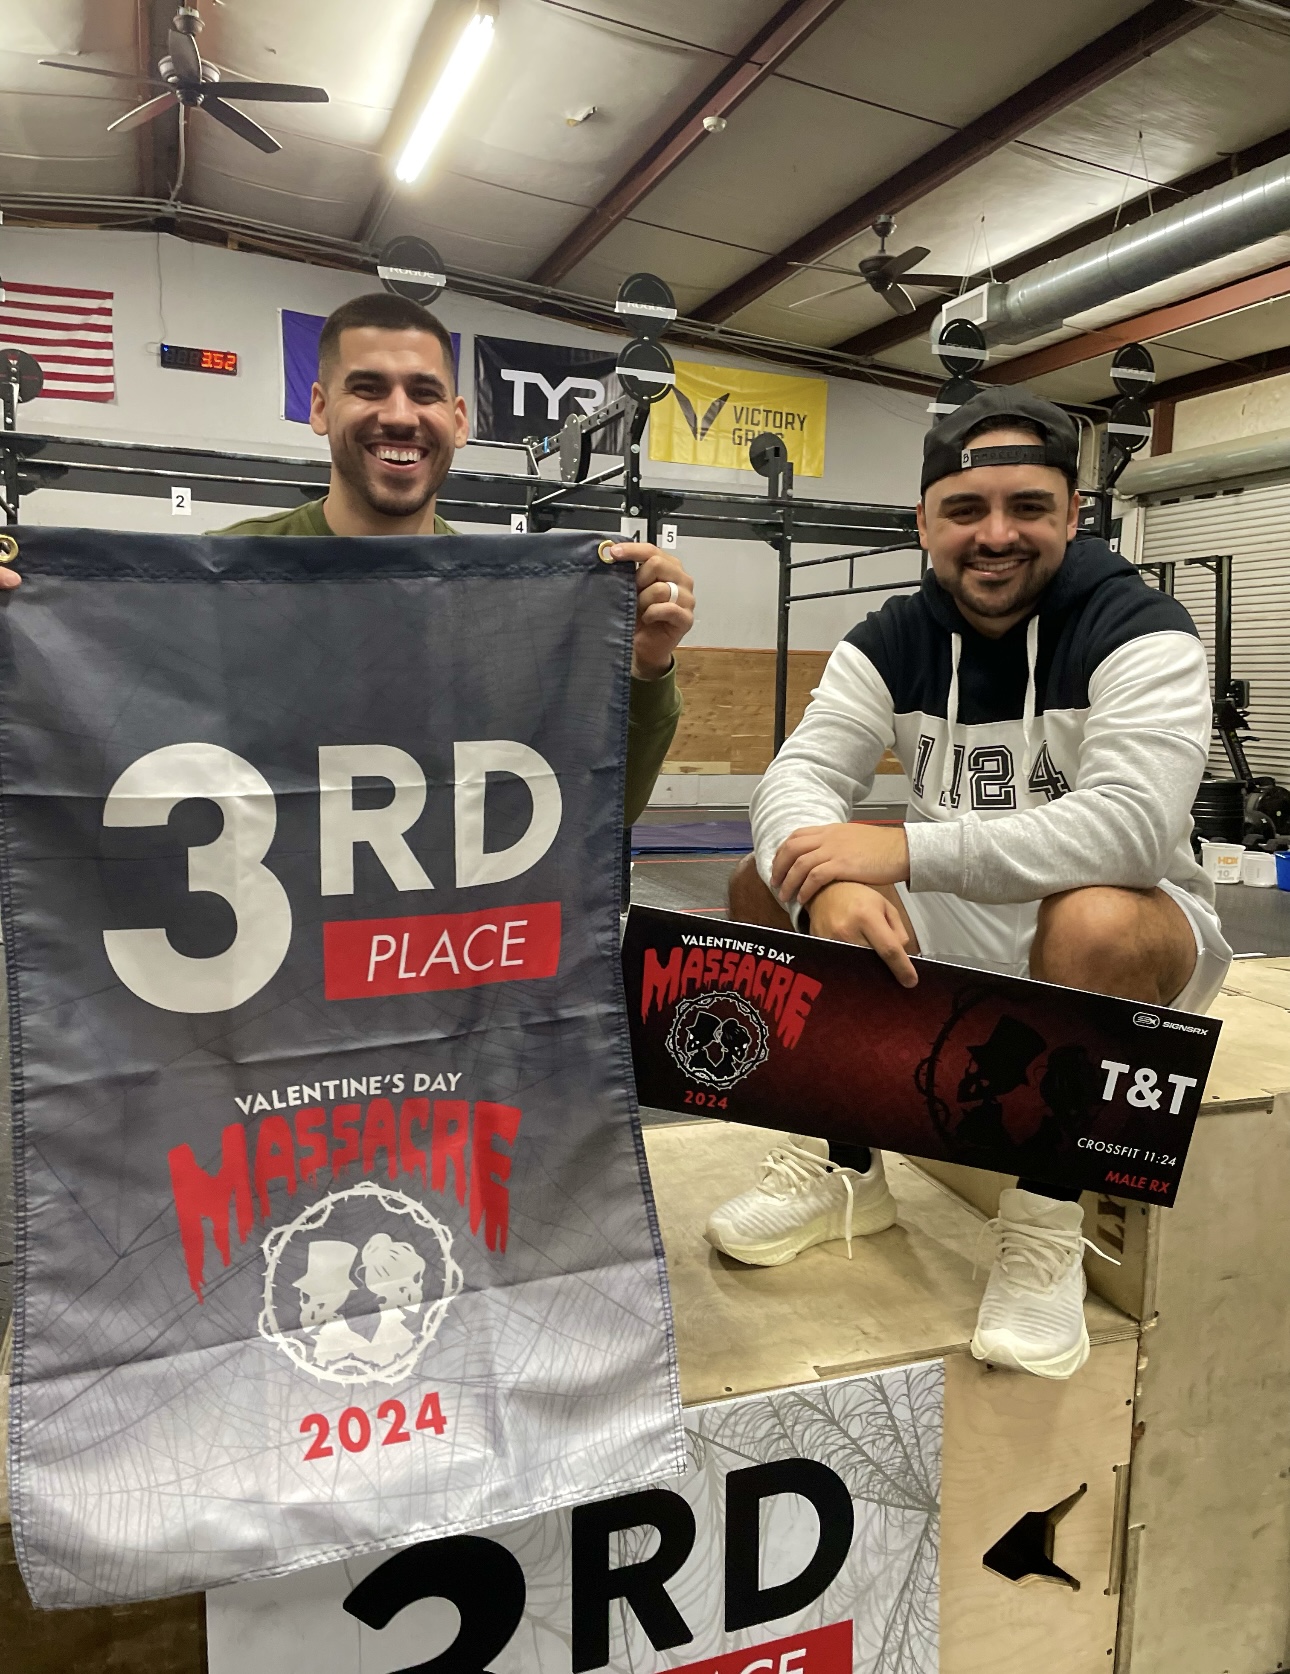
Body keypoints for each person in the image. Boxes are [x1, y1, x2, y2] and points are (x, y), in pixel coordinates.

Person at [706, 387, 1230, 1382]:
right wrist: (820, 888)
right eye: (965, 510)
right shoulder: (891, 638)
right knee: (759, 883)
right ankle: (845, 1170)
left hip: (1131, 936)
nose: (995, 536)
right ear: (925, 524)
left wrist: (900, 853)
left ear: (1073, 515)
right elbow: (797, 778)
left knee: (1093, 920)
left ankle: (1045, 1221)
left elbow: (1132, 830)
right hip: (962, 925)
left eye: (1028, 507)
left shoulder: (1140, 628)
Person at [214, 291, 696, 823]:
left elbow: (594, 814)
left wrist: (645, 667)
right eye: (368, 388)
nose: (400, 416)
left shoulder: (505, 609)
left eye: (425, 393)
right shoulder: (222, 581)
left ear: (459, 420)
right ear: (321, 408)